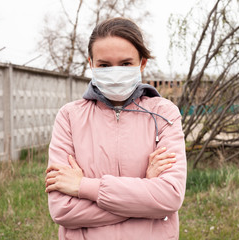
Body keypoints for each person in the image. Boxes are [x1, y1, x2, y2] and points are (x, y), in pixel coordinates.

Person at [45, 17, 187, 240]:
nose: (115, 71)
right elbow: (63, 208)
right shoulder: (69, 116)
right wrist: (146, 195)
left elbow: (169, 197)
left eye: (125, 63)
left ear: (142, 63)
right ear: (91, 63)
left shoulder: (164, 113)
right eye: (104, 65)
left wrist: (83, 186)